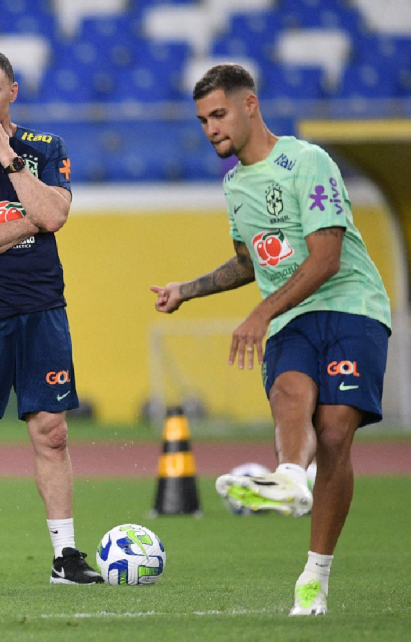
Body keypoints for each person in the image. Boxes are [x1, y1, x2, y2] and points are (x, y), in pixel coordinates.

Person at [150, 63, 391, 616]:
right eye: (203, 120)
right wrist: (188, 289)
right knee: (288, 392)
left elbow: (327, 257)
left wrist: (260, 310)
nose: (211, 128)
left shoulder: (307, 162)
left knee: (333, 433)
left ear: (250, 105)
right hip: (291, 318)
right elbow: (248, 262)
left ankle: (315, 576)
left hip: (351, 305)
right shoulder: (235, 185)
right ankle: (288, 478)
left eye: (219, 115)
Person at [0, 50, 102, 587]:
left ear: (13, 91)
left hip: (42, 307)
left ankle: (65, 555)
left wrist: (8, 158)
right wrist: (30, 223)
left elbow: (56, 213)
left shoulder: (46, 148)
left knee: (52, 432)